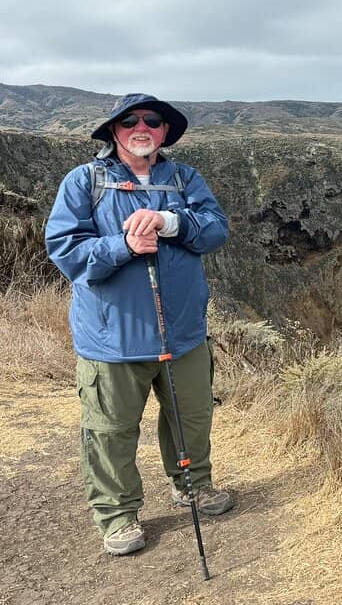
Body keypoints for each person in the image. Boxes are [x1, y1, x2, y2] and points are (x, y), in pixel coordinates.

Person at [46, 93, 232, 556]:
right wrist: (124, 245)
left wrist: (171, 222)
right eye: (130, 121)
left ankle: (193, 486)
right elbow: (66, 251)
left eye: (153, 120)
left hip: (184, 333)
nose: (141, 127)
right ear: (114, 131)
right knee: (110, 430)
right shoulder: (84, 181)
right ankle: (118, 515)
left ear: (165, 131)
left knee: (190, 418)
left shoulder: (184, 179)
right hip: (113, 338)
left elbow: (215, 229)